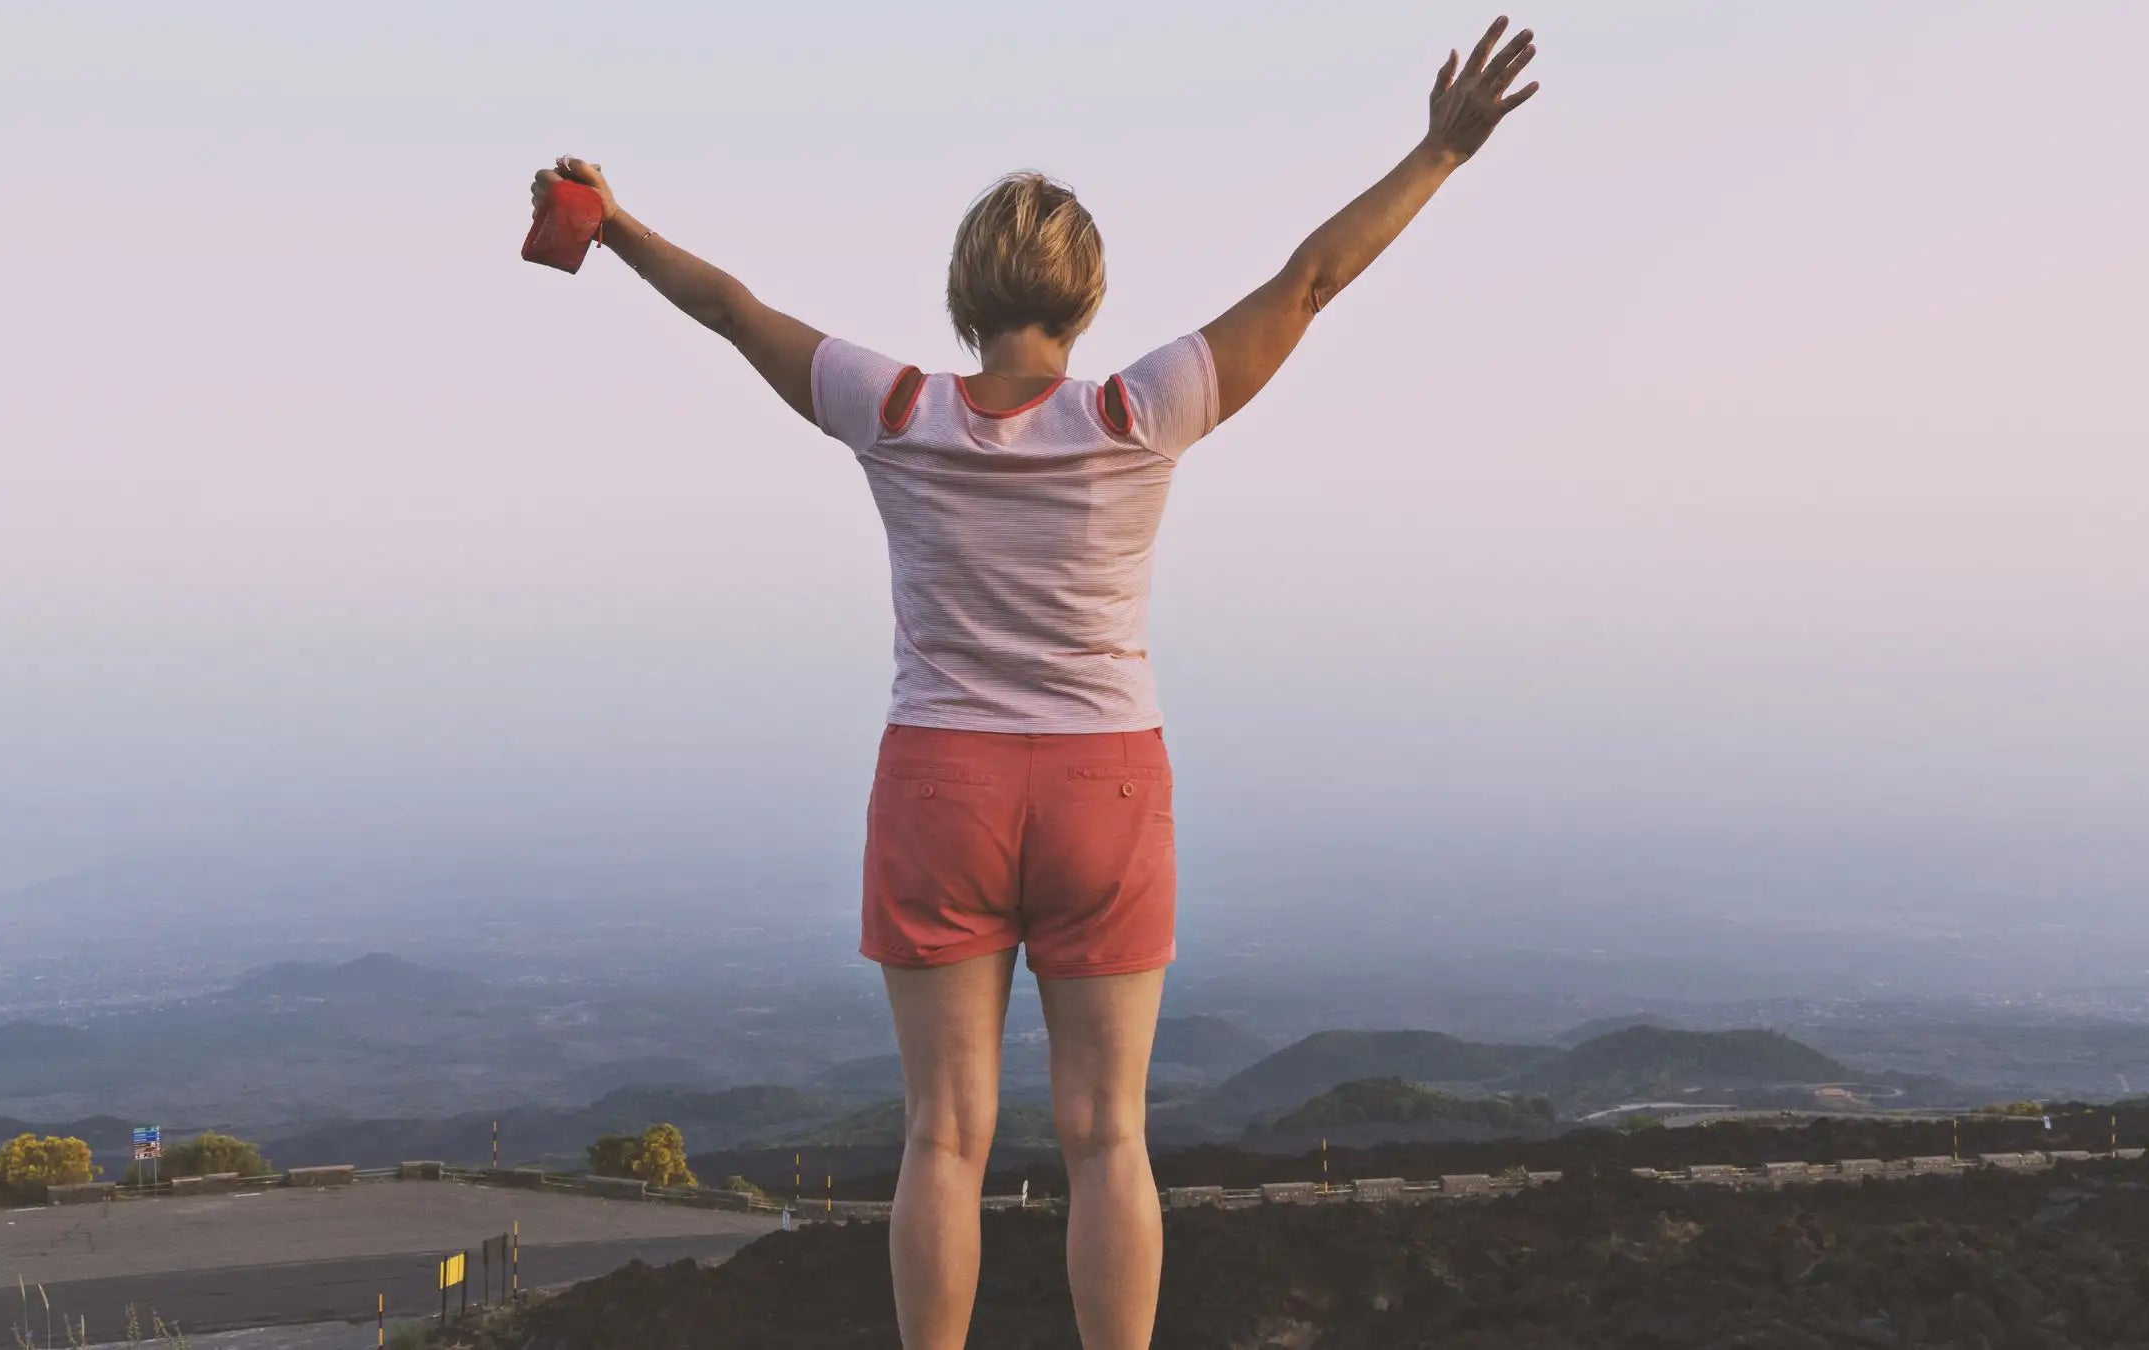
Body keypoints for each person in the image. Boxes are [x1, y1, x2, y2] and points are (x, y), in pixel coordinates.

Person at [531, 17, 1538, 1347]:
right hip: (1105, 783)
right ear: (1086, 297)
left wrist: (615, 226)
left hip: (940, 782)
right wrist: (1439, 153)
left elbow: (727, 308)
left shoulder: (890, 408)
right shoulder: (1141, 412)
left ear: (964, 296)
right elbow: (1308, 284)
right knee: (1108, 1136)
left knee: (942, 1137)